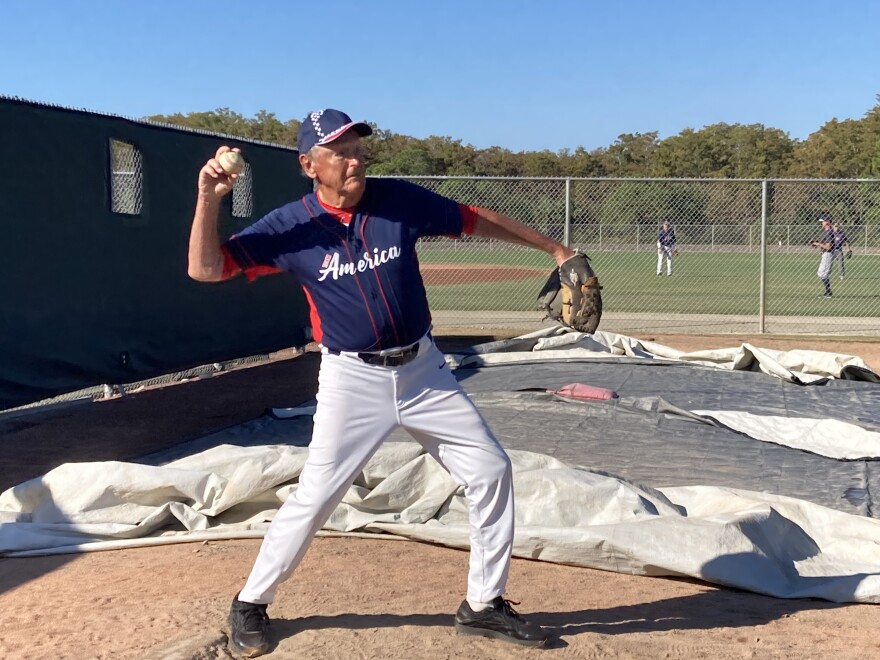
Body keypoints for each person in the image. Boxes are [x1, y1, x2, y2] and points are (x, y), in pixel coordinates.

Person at [187, 108, 576, 656]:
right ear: (309, 164)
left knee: (491, 470)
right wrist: (210, 198)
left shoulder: (397, 200)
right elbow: (206, 270)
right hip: (351, 380)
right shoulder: (288, 228)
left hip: (425, 373)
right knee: (317, 495)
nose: (354, 159)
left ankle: (483, 605)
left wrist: (555, 250)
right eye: (339, 151)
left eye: (357, 148)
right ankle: (250, 602)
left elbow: (475, 219)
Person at [809, 216, 835, 298]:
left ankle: (828, 292)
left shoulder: (829, 232)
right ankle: (828, 291)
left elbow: (828, 247)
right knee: (821, 273)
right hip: (825, 254)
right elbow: (825, 245)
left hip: (828, 254)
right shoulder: (827, 232)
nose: (821, 223)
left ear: (827, 222)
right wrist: (817, 243)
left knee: (823, 273)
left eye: (822, 222)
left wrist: (817, 244)